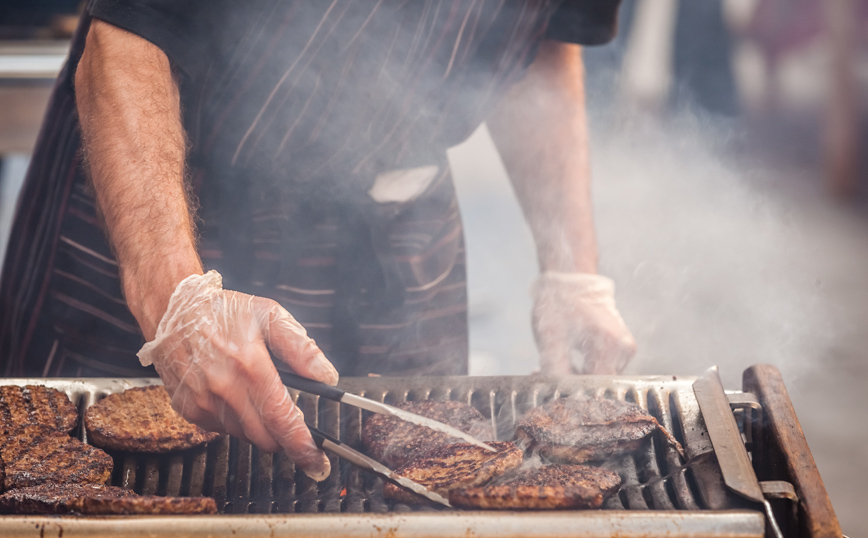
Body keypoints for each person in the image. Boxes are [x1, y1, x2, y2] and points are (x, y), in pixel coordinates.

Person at [0, 0, 635, 480]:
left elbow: (544, 39)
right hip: (173, 203)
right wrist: (178, 302)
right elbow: (125, 36)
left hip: (398, 236)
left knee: (412, 481)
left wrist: (572, 272)